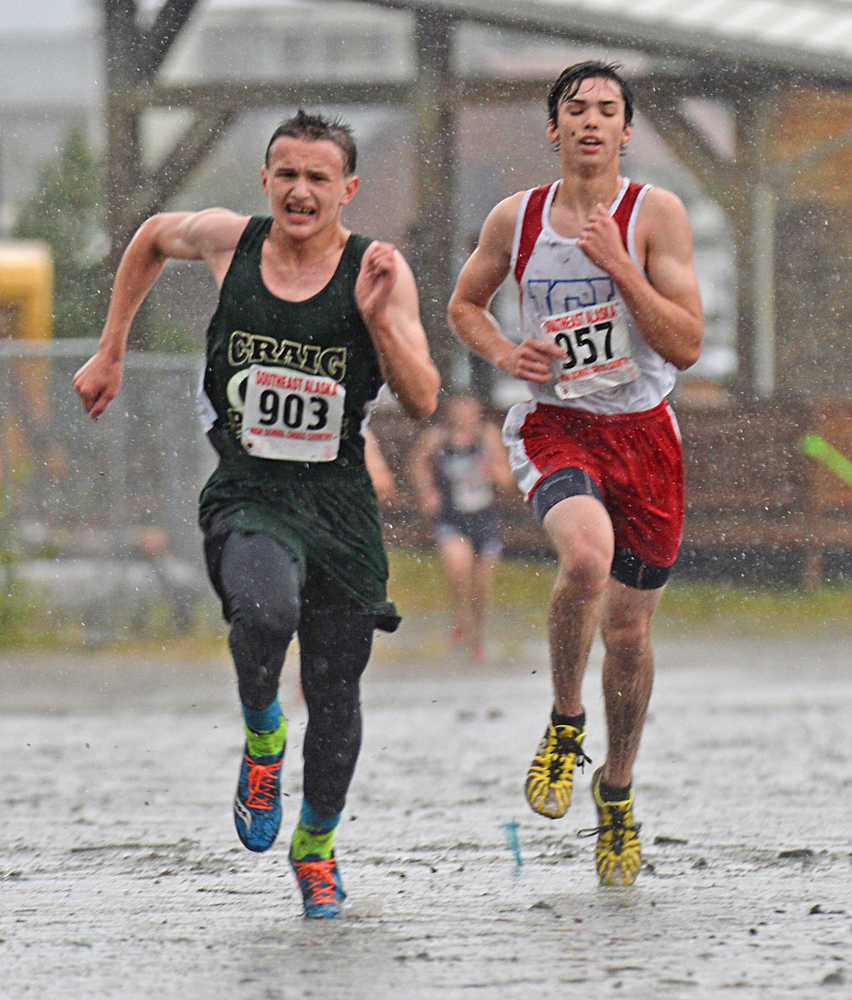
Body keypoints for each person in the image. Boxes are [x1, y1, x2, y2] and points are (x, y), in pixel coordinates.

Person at [73, 109, 440, 917]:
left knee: (338, 689)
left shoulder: (378, 269)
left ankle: (315, 848)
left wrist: (378, 320)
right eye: (287, 174)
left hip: (339, 504)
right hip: (250, 491)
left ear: (348, 189)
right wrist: (111, 348)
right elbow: (148, 237)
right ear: (266, 179)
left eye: (318, 178)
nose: (300, 191)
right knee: (265, 612)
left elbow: (421, 399)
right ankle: (264, 734)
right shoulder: (226, 241)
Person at [447, 62, 703, 886]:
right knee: (584, 558)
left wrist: (620, 267)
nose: (591, 122)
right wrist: (500, 349)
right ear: (553, 129)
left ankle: (617, 793)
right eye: (575, 110)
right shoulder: (515, 218)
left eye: (607, 111)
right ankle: (565, 724)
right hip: (559, 426)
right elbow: (464, 305)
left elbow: (687, 344)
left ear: (627, 131)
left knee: (628, 635)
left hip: (644, 437)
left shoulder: (654, 214)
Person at [408, 393, 513, 661]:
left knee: (482, 584)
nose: (464, 417)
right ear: (451, 412)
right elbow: (417, 463)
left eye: (470, 411)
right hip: (452, 517)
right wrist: (427, 491)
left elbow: (506, 478)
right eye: (459, 411)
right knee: (458, 568)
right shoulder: (437, 437)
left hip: (484, 517)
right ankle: (461, 619)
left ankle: (477, 636)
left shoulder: (486, 436)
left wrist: (493, 470)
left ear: (477, 413)